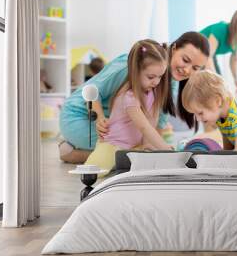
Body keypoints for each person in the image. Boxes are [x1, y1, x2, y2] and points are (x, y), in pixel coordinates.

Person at [59, 32, 209, 164]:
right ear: (174, 49)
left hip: (115, 120)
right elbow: (91, 91)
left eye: (195, 68)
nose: (187, 70)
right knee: (125, 145)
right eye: (185, 60)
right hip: (79, 116)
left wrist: (155, 148)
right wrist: (98, 118)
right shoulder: (130, 66)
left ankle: (85, 150)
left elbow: (159, 120)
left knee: (138, 146)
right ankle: (71, 153)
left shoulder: (169, 80)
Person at [84, 40, 172, 175]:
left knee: (150, 164)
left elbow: (151, 121)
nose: (156, 82)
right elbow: (144, 126)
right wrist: (167, 150)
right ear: (135, 71)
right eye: (151, 77)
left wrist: (147, 144)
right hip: (113, 145)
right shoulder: (129, 96)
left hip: (134, 147)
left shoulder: (152, 91)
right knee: (94, 172)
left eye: (160, 76)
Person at [200, 9, 237, 92]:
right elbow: (208, 55)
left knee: (219, 84)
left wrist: (236, 79)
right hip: (197, 50)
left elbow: (234, 60)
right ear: (235, 24)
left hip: (208, 55)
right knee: (212, 84)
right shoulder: (221, 29)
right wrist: (215, 79)